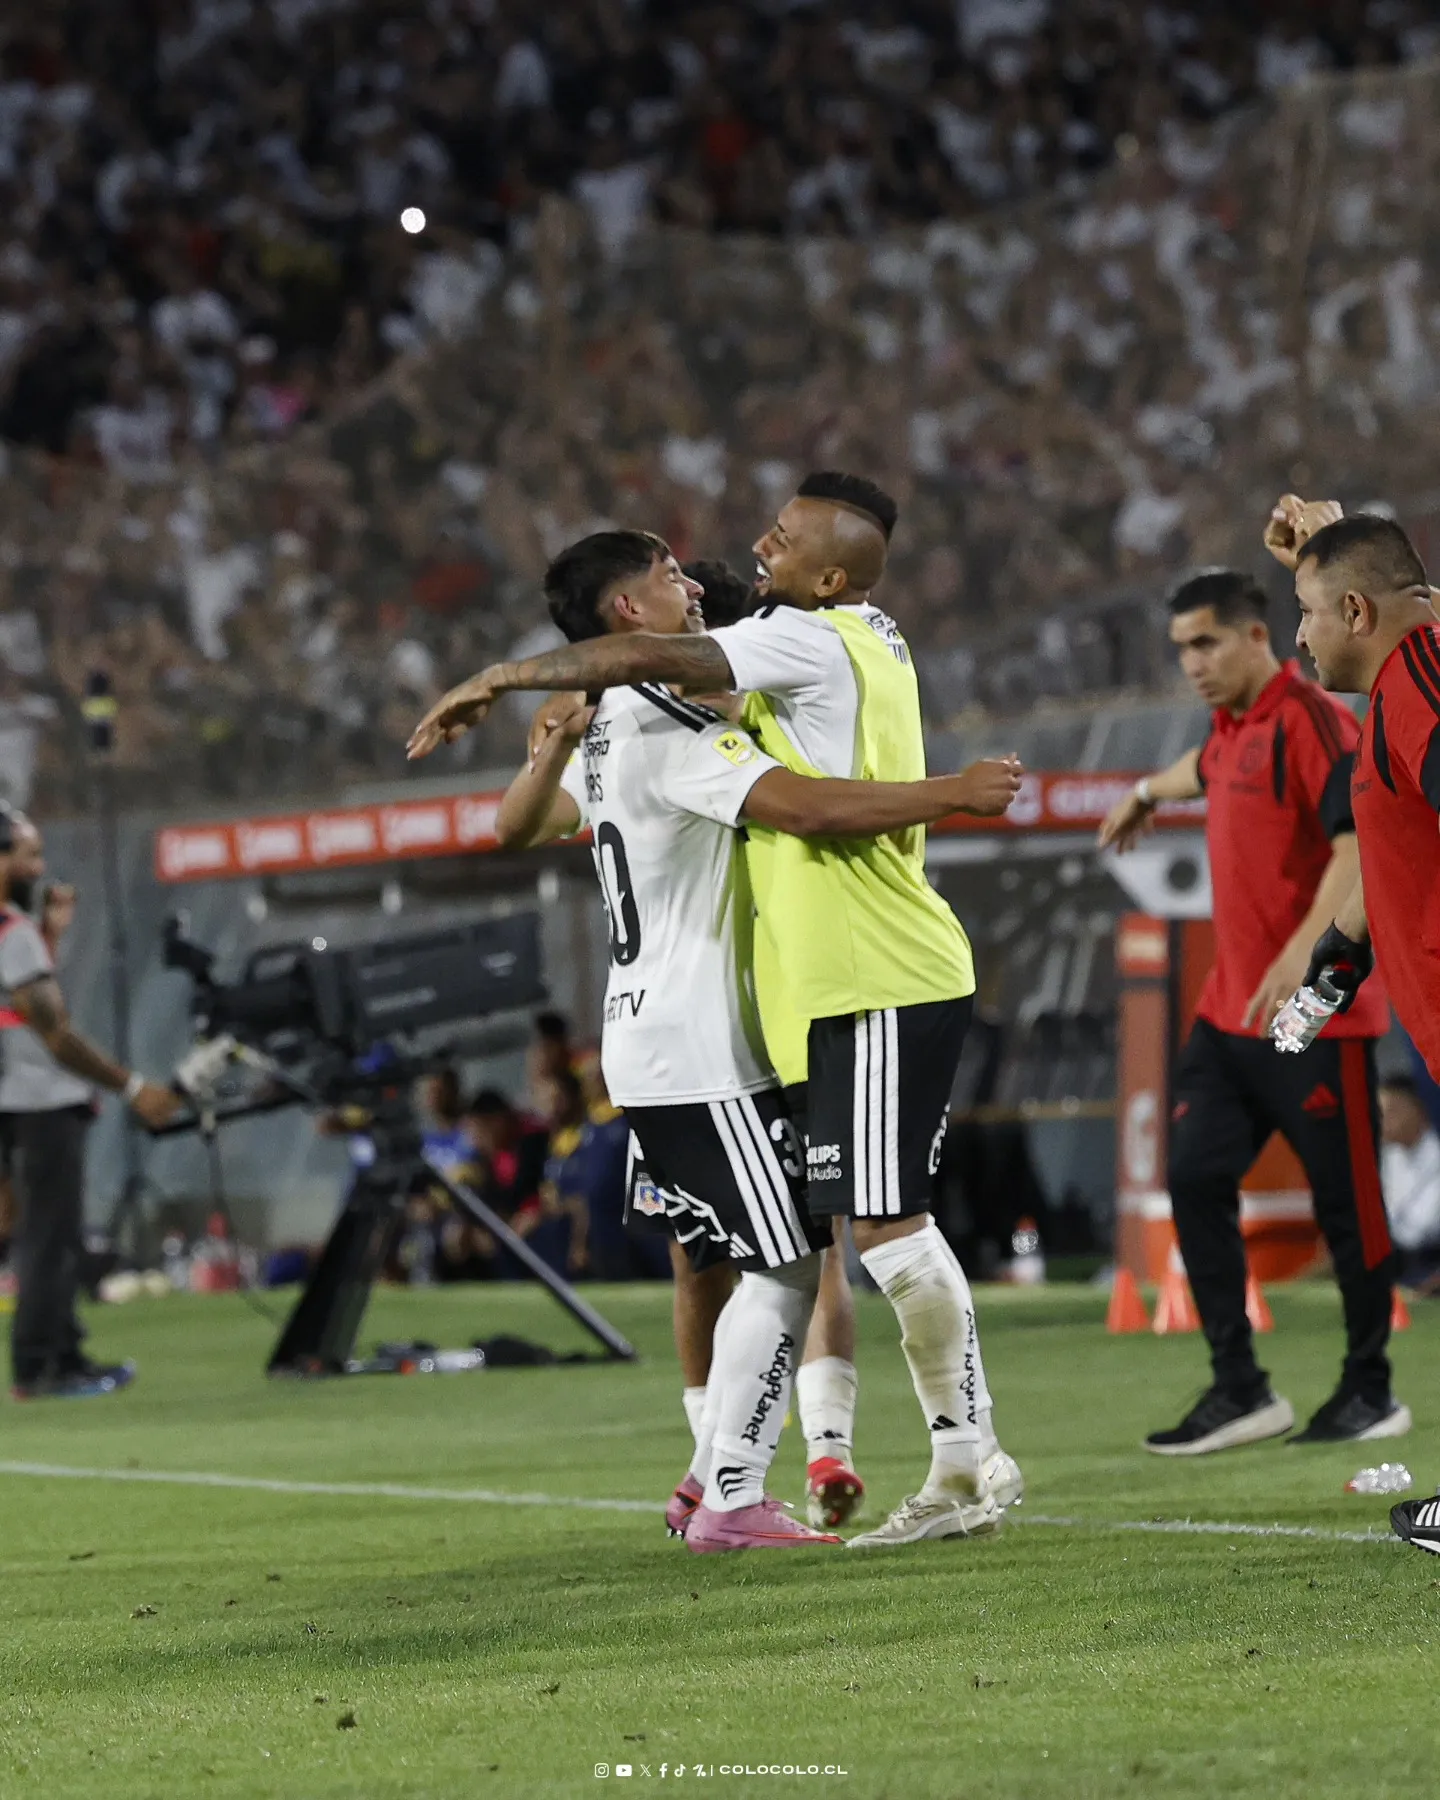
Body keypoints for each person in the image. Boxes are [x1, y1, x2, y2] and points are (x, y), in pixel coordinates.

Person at [413, 477, 1026, 1550]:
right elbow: (805, 804)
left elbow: (527, 819)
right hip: (719, 1035)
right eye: (665, 573)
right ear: (628, 615)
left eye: (775, 542)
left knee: (791, 1249)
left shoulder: (642, 716)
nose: (698, 576)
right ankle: (754, 1483)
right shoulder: (677, 713)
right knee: (800, 1255)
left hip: (717, 1028)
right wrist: (951, 790)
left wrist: (548, 728)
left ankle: (755, 1472)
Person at [1099, 566, 1404, 1451]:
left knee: (1349, 1208)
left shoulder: (1312, 721)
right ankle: (1240, 1387)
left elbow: (1355, 854)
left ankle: (1371, 1389)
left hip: (1311, 1013)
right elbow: (1203, 768)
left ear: (1255, 636)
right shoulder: (1229, 728)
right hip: (1229, 1015)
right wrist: (1147, 793)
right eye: (1181, 649)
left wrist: (1299, 961)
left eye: (1205, 643)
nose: (1192, 663)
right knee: (1193, 1178)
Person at [1263, 505, 1440, 1552]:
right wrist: (1326, 982)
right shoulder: (1405, 679)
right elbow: (1391, 871)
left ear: (1359, 612)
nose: (1300, 637)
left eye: (1308, 614)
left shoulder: (1414, 673)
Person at [0, 806, 180, 1399]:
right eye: (28, 853)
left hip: (12, 1101)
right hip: (41, 1102)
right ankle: (45, 1365)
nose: (39, 866)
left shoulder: (19, 935)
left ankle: (59, 1354)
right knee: (52, 1235)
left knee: (44, 1233)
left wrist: (50, 934)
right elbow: (54, 1034)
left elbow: (18, 1012)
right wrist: (132, 1086)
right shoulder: (12, 933)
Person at [1378, 1074, 1440, 1289]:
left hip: (1430, 1259)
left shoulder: (1435, 1154)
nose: (1383, 1121)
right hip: (1396, 1258)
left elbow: (1422, 1228)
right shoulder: (1389, 1157)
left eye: (1391, 1112)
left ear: (1419, 1110)